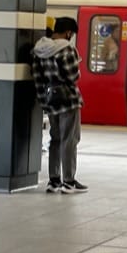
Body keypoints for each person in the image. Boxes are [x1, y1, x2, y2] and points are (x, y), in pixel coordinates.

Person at [31, 16, 88, 194]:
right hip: (68, 100)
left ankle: (54, 180)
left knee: (55, 139)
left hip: (51, 100)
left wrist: (44, 102)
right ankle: (69, 182)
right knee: (69, 140)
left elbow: (37, 79)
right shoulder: (67, 49)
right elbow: (73, 76)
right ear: (68, 32)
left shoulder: (39, 49)